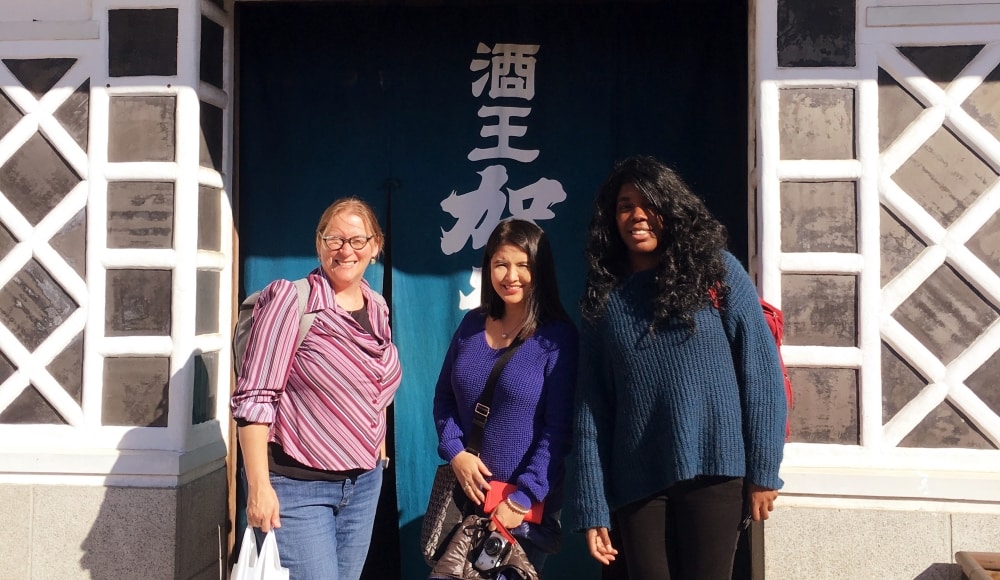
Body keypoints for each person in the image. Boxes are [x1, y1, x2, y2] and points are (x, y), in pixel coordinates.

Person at [572, 156, 787, 579]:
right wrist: (592, 504)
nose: (637, 215)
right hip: (638, 481)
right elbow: (590, 409)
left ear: (671, 209)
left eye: (649, 204)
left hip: (716, 469)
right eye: (625, 206)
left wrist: (764, 471)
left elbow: (761, 374)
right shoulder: (605, 301)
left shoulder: (718, 271)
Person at [231, 197, 402, 580]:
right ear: (319, 244)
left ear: (375, 246)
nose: (346, 250)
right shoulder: (291, 301)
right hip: (297, 486)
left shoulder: (377, 306)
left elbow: (374, 384)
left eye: (357, 240)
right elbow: (255, 397)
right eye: (334, 239)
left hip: (363, 484)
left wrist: (375, 444)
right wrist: (258, 487)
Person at [433, 218, 579, 574]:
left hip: (519, 513)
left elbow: (558, 432)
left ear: (539, 270)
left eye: (522, 265)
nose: (511, 276)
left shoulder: (557, 338)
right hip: (465, 501)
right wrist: (456, 452)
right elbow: (444, 398)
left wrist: (522, 498)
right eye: (501, 264)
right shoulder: (471, 324)